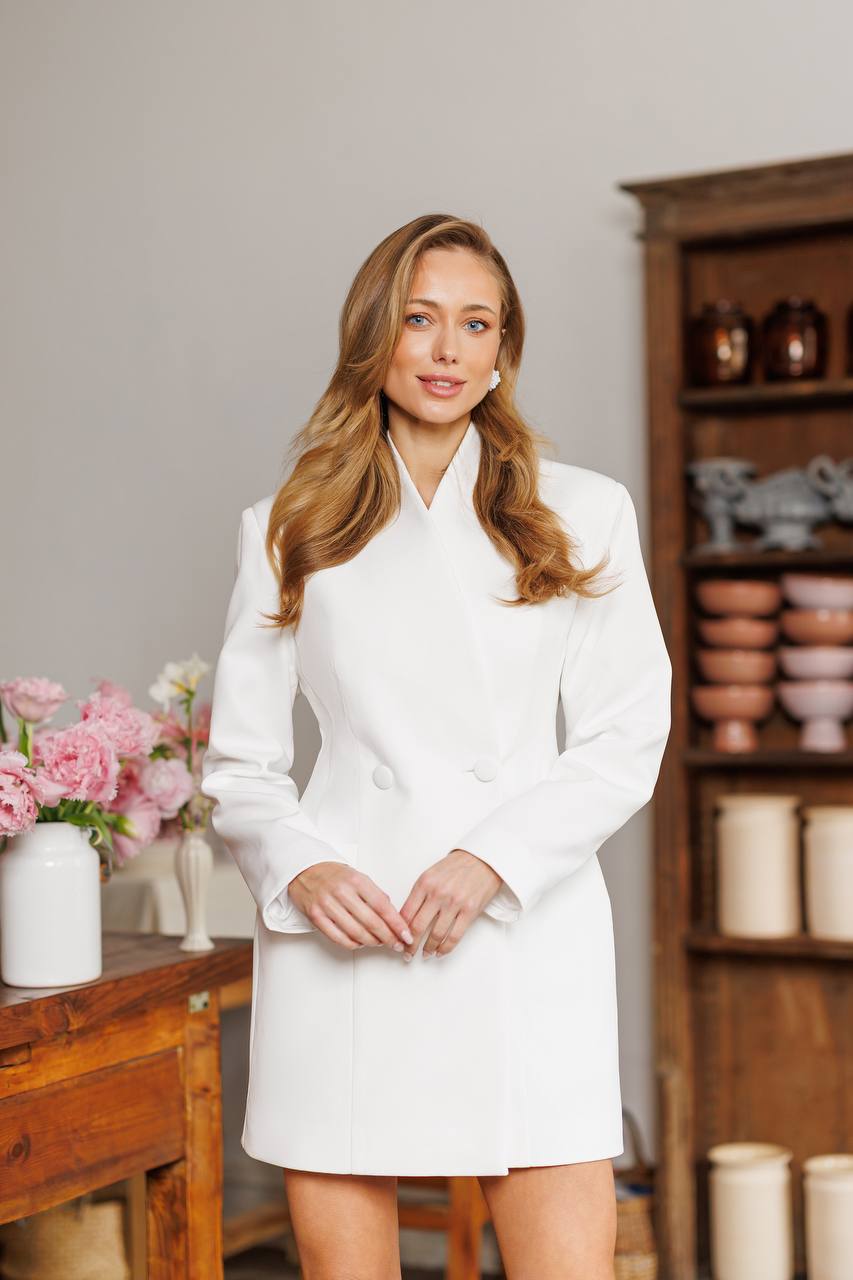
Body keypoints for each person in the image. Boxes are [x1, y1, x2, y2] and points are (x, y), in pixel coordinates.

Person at [200, 213, 672, 1280]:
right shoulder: (287, 523)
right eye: (420, 319)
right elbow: (239, 763)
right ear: (376, 335)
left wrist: (492, 857)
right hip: (347, 929)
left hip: (522, 924)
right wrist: (300, 863)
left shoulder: (581, 511)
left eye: (476, 323)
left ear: (502, 349)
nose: (448, 349)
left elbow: (624, 730)